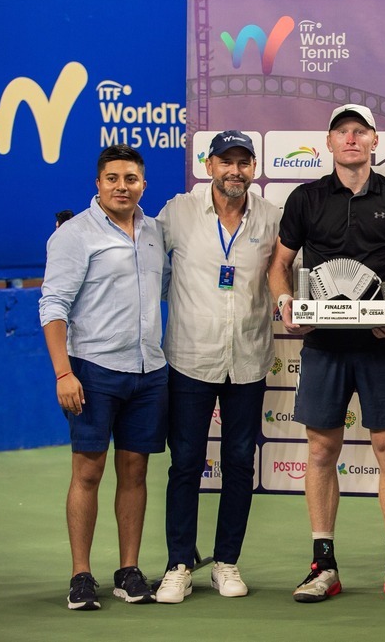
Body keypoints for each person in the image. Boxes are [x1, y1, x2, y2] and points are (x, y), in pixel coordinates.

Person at [269, 104, 385, 604]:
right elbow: (280, 263)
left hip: (382, 345)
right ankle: (323, 565)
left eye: (360, 132)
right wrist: (285, 302)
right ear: (329, 143)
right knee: (320, 452)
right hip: (324, 344)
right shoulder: (305, 197)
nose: (352, 140)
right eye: (343, 133)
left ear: (375, 140)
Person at [154, 130, 281, 604]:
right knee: (185, 464)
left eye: (243, 162)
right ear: (208, 166)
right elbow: (143, 259)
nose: (235, 171)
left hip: (248, 361)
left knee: (239, 465)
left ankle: (226, 562)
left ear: (253, 168)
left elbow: (287, 271)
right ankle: (179, 564)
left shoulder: (271, 216)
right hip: (190, 359)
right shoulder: (177, 213)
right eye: (226, 162)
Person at [39, 144, 168, 610]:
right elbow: (52, 306)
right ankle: (81, 575)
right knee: (88, 473)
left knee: (135, 471)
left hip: (149, 371)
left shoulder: (155, 233)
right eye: (112, 178)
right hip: (92, 371)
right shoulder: (74, 235)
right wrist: (63, 373)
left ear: (143, 185)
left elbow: (168, 287)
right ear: (98, 183)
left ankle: (128, 570)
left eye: (130, 179)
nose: (121, 186)